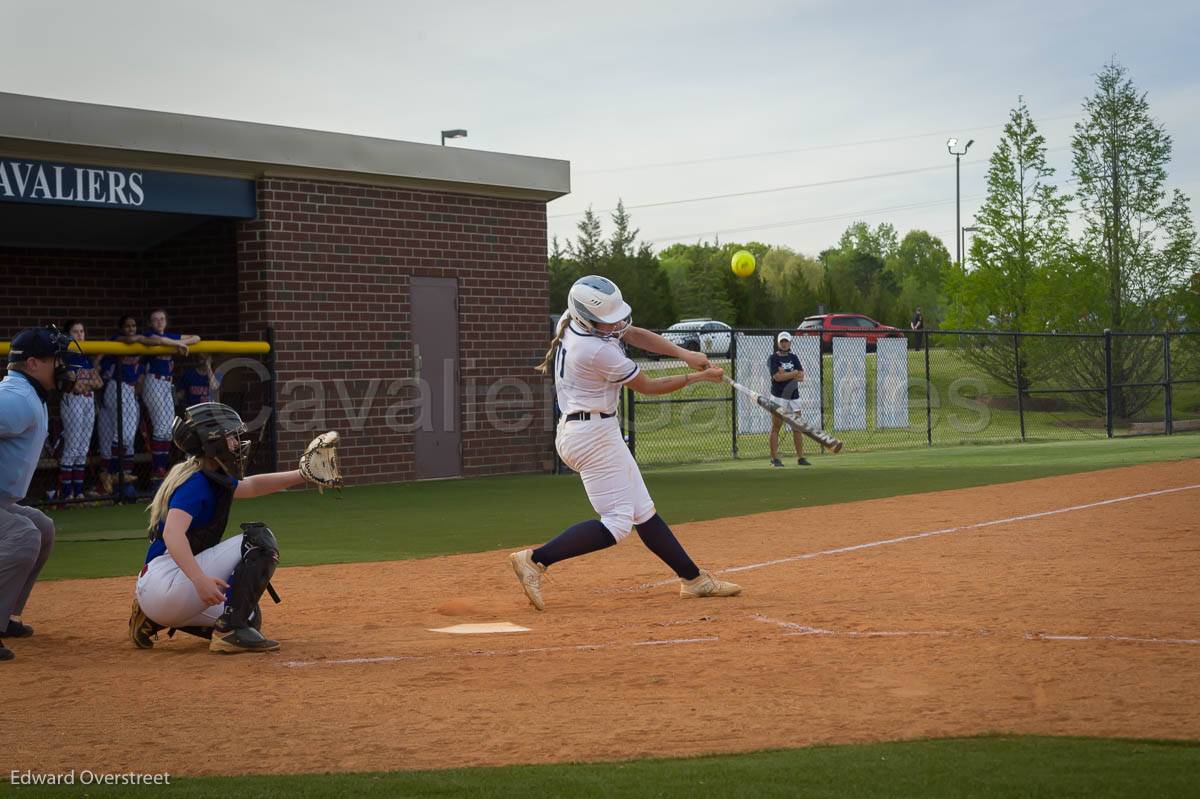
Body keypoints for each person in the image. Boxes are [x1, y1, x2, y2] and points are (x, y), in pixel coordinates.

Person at [509, 275, 741, 611]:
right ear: (585, 317)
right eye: (607, 319)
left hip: (592, 430)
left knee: (643, 511)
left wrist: (684, 353)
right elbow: (647, 386)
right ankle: (535, 560)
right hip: (591, 437)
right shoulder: (595, 351)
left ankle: (694, 580)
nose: (616, 323)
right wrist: (697, 376)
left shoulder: (574, 321)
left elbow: (631, 332)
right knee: (617, 523)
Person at [128, 402, 311, 654]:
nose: (237, 443)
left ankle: (152, 619)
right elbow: (172, 534)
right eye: (230, 437)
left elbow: (252, 487)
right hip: (166, 582)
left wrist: (302, 474)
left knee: (248, 617)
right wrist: (200, 580)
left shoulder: (207, 474)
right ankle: (228, 632)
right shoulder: (195, 483)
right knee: (259, 540)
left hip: (162, 592)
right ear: (212, 442)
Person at [0, 326, 71, 661]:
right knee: (24, 536)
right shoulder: (18, 398)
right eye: (54, 358)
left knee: (40, 528)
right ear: (32, 363)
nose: (61, 365)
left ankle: (5, 615)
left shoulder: (29, 394)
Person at [141, 309, 200, 487]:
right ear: (151, 323)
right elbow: (158, 341)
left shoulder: (170, 336)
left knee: (168, 429)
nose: (159, 322)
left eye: (162, 319)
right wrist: (178, 344)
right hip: (153, 381)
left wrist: (179, 343)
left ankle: (161, 467)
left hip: (167, 383)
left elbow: (197, 338)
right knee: (161, 428)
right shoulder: (149, 334)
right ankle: (158, 468)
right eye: (155, 319)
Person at [55, 320, 103, 502]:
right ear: (68, 335)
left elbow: (99, 383)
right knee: (72, 446)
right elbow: (73, 387)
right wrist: (82, 383)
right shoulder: (66, 356)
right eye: (76, 332)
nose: (80, 335)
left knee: (83, 447)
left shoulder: (85, 357)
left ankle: (79, 492)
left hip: (88, 401)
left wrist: (85, 383)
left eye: (82, 331)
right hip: (72, 401)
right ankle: (67, 494)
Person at [97, 315, 144, 498]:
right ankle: (114, 473)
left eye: (134, 326)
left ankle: (116, 473)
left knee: (128, 436)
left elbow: (139, 371)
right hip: (116, 387)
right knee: (123, 433)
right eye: (127, 326)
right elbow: (102, 364)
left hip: (129, 390)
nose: (131, 329)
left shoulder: (138, 346)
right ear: (121, 329)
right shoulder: (118, 341)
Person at [767, 331, 809, 467]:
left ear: (790, 343)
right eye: (782, 341)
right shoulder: (773, 358)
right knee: (776, 427)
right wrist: (794, 373)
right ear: (778, 343)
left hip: (794, 396)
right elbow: (777, 378)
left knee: (797, 427)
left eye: (786, 341)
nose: (784, 344)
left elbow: (801, 377)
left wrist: (787, 374)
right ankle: (774, 459)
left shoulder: (794, 357)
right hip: (779, 396)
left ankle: (800, 458)